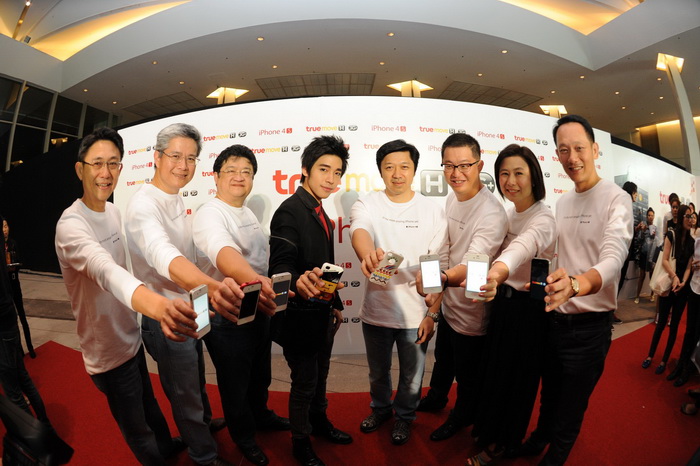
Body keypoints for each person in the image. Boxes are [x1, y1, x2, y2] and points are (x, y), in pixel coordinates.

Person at [55, 127, 200, 465]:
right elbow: (106, 271)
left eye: (113, 163)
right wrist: (161, 306)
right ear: (80, 169)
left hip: (130, 335)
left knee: (151, 409)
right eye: (96, 164)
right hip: (107, 352)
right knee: (137, 429)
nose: (105, 173)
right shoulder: (70, 226)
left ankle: (167, 447)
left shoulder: (112, 211)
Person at [125, 123, 243, 466]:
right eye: (175, 156)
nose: (184, 165)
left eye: (191, 158)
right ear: (157, 157)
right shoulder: (143, 205)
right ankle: (203, 455)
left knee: (196, 378)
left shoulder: (175, 196)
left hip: (194, 305)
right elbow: (164, 255)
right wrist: (214, 288)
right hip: (167, 316)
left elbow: (186, 255)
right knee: (184, 392)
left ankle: (203, 425)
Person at [518, 114, 633, 465]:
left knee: (571, 405)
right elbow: (558, 257)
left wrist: (576, 285)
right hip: (554, 319)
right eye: (564, 150)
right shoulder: (563, 202)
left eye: (579, 148)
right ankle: (539, 438)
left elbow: (613, 258)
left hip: (589, 327)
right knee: (549, 394)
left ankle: (556, 457)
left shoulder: (616, 198)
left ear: (595, 149)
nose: (572, 158)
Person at [193, 144, 290, 466]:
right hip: (228, 314)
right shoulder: (210, 213)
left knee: (259, 374)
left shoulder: (246, 212)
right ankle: (244, 437)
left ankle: (261, 415)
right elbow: (223, 251)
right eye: (231, 170)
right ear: (216, 176)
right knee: (235, 383)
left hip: (258, 307)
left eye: (246, 172)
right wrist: (256, 281)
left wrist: (264, 288)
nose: (239, 177)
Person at [349, 139, 447, 445]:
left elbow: (437, 265)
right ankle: (380, 409)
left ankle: (404, 417)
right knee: (378, 373)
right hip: (376, 310)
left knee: (412, 378)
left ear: (414, 170)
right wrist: (368, 254)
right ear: (380, 170)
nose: (397, 173)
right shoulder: (367, 203)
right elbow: (359, 230)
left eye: (404, 166)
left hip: (416, 314)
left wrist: (432, 313)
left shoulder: (433, 211)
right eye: (389, 167)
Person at [466, 144, 556, 465]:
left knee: (518, 382)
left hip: (530, 311)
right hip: (503, 306)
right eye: (504, 173)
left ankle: (505, 443)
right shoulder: (508, 212)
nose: (510, 181)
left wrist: (496, 272)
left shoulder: (543, 218)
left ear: (534, 177)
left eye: (519, 173)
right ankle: (489, 431)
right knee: (495, 374)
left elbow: (521, 248)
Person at [268, 135, 353, 466]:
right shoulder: (290, 211)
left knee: (321, 376)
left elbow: (326, 266)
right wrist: (297, 281)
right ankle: (300, 441)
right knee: (304, 383)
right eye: (323, 169)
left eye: (337, 172)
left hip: (322, 314)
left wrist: (335, 304)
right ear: (305, 169)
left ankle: (319, 422)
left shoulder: (323, 214)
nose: (331, 178)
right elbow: (281, 266)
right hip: (298, 317)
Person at [420, 133, 508, 443]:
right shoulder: (452, 197)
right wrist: (435, 294)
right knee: (443, 359)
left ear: (479, 166)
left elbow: (474, 262)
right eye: (448, 165)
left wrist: (440, 280)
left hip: (473, 310)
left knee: (468, 374)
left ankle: (462, 416)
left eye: (464, 165)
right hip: (449, 303)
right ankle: (436, 398)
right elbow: (445, 247)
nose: (456, 173)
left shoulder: (492, 212)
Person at [641, 205, 693, 375]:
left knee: (675, 325)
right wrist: (674, 277)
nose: (690, 220)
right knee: (661, 322)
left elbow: (688, 266)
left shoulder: (692, 242)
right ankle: (650, 355)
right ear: (681, 218)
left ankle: (664, 360)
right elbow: (664, 260)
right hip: (668, 284)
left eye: (692, 217)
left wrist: (683, 281)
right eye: (687, 216)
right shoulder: (671, 234)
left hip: (682, 289)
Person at [665, 214, 700, 387]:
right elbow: (691, 262)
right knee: (689, 331)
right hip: (694, 287)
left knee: (697, 333)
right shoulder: (697, 238)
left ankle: (688, 369)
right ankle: (681, 365)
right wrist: (692, 267)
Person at [2, 218, 35, 358]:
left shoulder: (13, 243)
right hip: (6, 287)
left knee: (22, 316)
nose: (5, 229)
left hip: (15, 284)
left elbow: (19, 261)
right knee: (13, 320)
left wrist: (14, 266)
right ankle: (19, 349)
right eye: (2, 227)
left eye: (6, 226)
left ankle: (30, 347)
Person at [635, 208, 657, 304]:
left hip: (652, 254)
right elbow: (639, 240)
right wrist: (643, 232)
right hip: (644, 254)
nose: (650, 217)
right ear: (647, 217)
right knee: (642, 275)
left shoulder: (656, 228)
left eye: (652, 215)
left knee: (652, 275)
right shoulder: (643, 227)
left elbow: (658, 242)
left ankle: (652, 295)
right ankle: (637, 296)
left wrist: (655, 236)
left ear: (654, 216)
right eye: (649, 215)